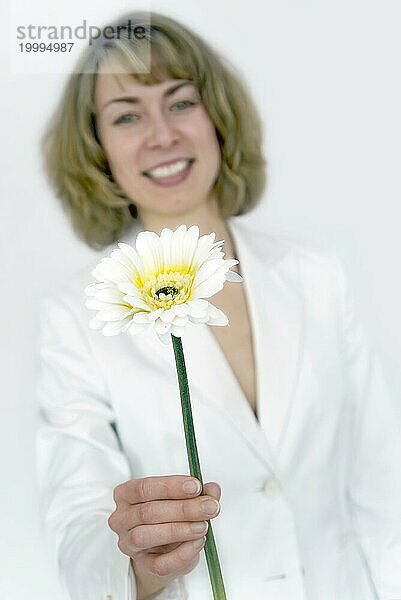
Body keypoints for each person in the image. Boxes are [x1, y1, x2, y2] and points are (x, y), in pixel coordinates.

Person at [36, 11, 401, 600]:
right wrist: (140, 558)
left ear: (217, 117)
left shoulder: (317, 276)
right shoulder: (75, 317)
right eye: (127, 115)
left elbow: (384, 488)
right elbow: (77, 529)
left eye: (181, 102)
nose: (162, 135)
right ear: (97, 148)